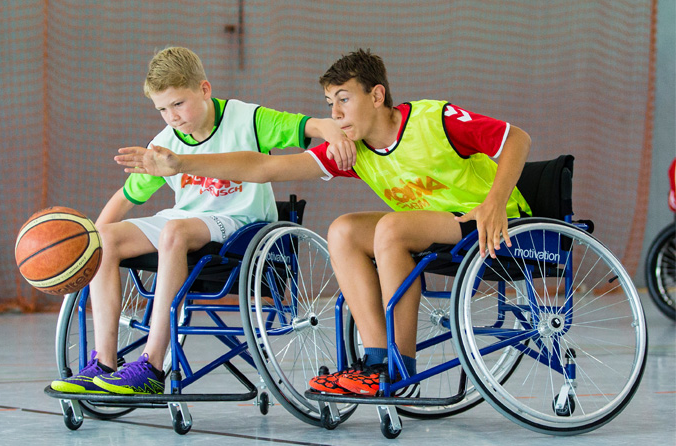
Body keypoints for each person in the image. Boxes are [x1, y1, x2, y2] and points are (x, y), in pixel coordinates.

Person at [115, 49, 532, 396]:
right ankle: (375, 360)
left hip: (495, 222)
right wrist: (181, 162)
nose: (335, 113)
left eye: (344, 100)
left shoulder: (433, 119)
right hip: (434, 229)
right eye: (329, 103)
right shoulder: (353, 149)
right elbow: (262, 168)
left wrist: (495, 203)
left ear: (376, 95)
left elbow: (517, 138)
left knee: (389, 229)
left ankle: (400, 370)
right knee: (343, 229)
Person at [50, 46, 352, 395]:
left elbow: (309, 125)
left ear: (204, 89)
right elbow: (125, 197)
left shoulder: (247, 119)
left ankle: (150, 366)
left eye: (179, 104)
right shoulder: (163, 145)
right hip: (189, 222)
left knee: (175, 231)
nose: (172, 117)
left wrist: (332, 131)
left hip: (243, 225)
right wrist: (88, 251)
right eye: (162, 109)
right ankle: (103, 364)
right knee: (104, 236)